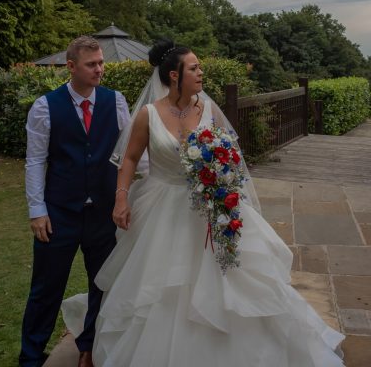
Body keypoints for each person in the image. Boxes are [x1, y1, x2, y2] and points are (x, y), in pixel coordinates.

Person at [62, 38, 345, 367]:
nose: (201, 72)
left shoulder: (210, 110)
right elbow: (128, 161)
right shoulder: (147, 115)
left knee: (232, 283)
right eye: (194, 68)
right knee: (160, 289)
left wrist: (225, 190)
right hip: (162, 207)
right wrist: (121, 198)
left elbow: (233, 157)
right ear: (173, 75)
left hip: (213, 206)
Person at [19, 36, 130, 367]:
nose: (100, 69)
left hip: (104, 215)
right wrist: (37, 211)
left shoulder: (116, 101)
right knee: (45, 290)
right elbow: (35, 161)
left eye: (101, 62)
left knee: (103, 284)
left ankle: (90, 346)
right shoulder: (44, 106)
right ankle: (30, 357)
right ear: (71, 67)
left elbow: (129, 155)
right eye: (91, 64)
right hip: (58, 215)